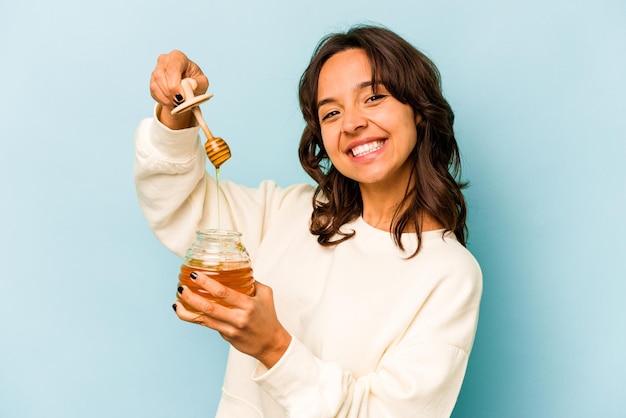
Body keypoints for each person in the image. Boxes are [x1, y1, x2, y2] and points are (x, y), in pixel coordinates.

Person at [135, 24, 482, 417]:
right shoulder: (290, 213)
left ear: (419, 110)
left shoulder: (449, 274)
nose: (351, 123)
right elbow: (179, 204)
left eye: (373, 97)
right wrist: (175, 113)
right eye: (331, 112)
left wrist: (273, 347)